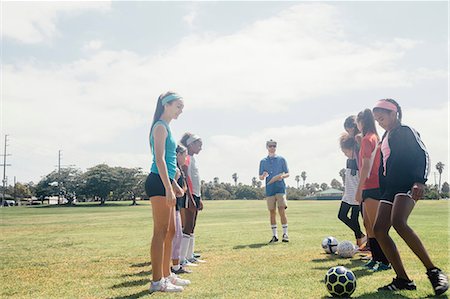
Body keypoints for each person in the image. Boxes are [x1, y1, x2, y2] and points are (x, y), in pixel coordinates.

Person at [372, 99, 448, 295]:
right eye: (377, 120)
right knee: (379, 229)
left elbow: (423, 154)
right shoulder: (386, 136)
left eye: (383, 117)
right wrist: (383, 188)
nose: (380, 122)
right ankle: (403, 280)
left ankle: (434, 271)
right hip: (390, 188)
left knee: (398, 222)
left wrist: (419, 181)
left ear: (394, 113)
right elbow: (384, 165)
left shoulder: (406, 131)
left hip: (408, 183)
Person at [145, 92, 190, 293]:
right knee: (160, 231)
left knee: (171, 231)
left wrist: (174, 184)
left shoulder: (167, 128)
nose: (180, 111)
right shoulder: (160, 127)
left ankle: (166, 274)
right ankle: (156, 282)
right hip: (157, 183)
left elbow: (169, 163)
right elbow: (160, 159)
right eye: (178, 106)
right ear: (167, 105)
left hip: (165, 181)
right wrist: (168, 187)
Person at [355, 109, 390, 271]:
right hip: (370, 186)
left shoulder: (368, 138)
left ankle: (384, 261)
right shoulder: (369, 138)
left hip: (372, 186)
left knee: (375, 226)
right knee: (368, 224)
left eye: (357, 123)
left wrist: (359, 188)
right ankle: (375, 258)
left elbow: (366, 166)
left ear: (362, 122)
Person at [179, 132, 206, 265]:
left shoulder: (193, 158)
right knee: (187, 226)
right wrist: (189, 197)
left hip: (195, 195)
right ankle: (181, 259)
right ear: (191, 144)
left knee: (192, 226)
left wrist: (198, 197)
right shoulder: (186, 158)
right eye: (199, 145)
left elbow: (195, 180)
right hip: (188, 196)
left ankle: (189, 256)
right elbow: (185, 179)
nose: (201, 148)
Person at [259, 139, 290, 243]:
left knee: (282, 210)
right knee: (272, 212)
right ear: (267, 147)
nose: (272, 148)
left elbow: (287, 173)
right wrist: (263, 176)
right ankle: (274, 236)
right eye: (270, 146)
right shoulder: (263, 161)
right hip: (270, 190)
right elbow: (260, 177)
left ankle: (285, 234)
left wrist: (282, 176)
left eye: (274, 146)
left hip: (280, 188)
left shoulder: (281, 159)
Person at [338, 133, 365, 247]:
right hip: (348, 193)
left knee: (354, 218)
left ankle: (360, 241)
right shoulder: (349, 160)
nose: (345, 155)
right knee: (342, 215)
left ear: (352, 148)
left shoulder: (360, 160)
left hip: (357, 193)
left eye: (346, 152)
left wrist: (360, 192)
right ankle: (362, 236)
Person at [171, 145, 192, 275]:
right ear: (178, 155)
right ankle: (175, 266)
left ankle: (176, 266)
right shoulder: (175, 170)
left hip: (176, 206)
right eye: (184, 155)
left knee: (177, 236)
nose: (186, 158)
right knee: (176, 236)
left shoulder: (178, 169)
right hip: (173, 206)